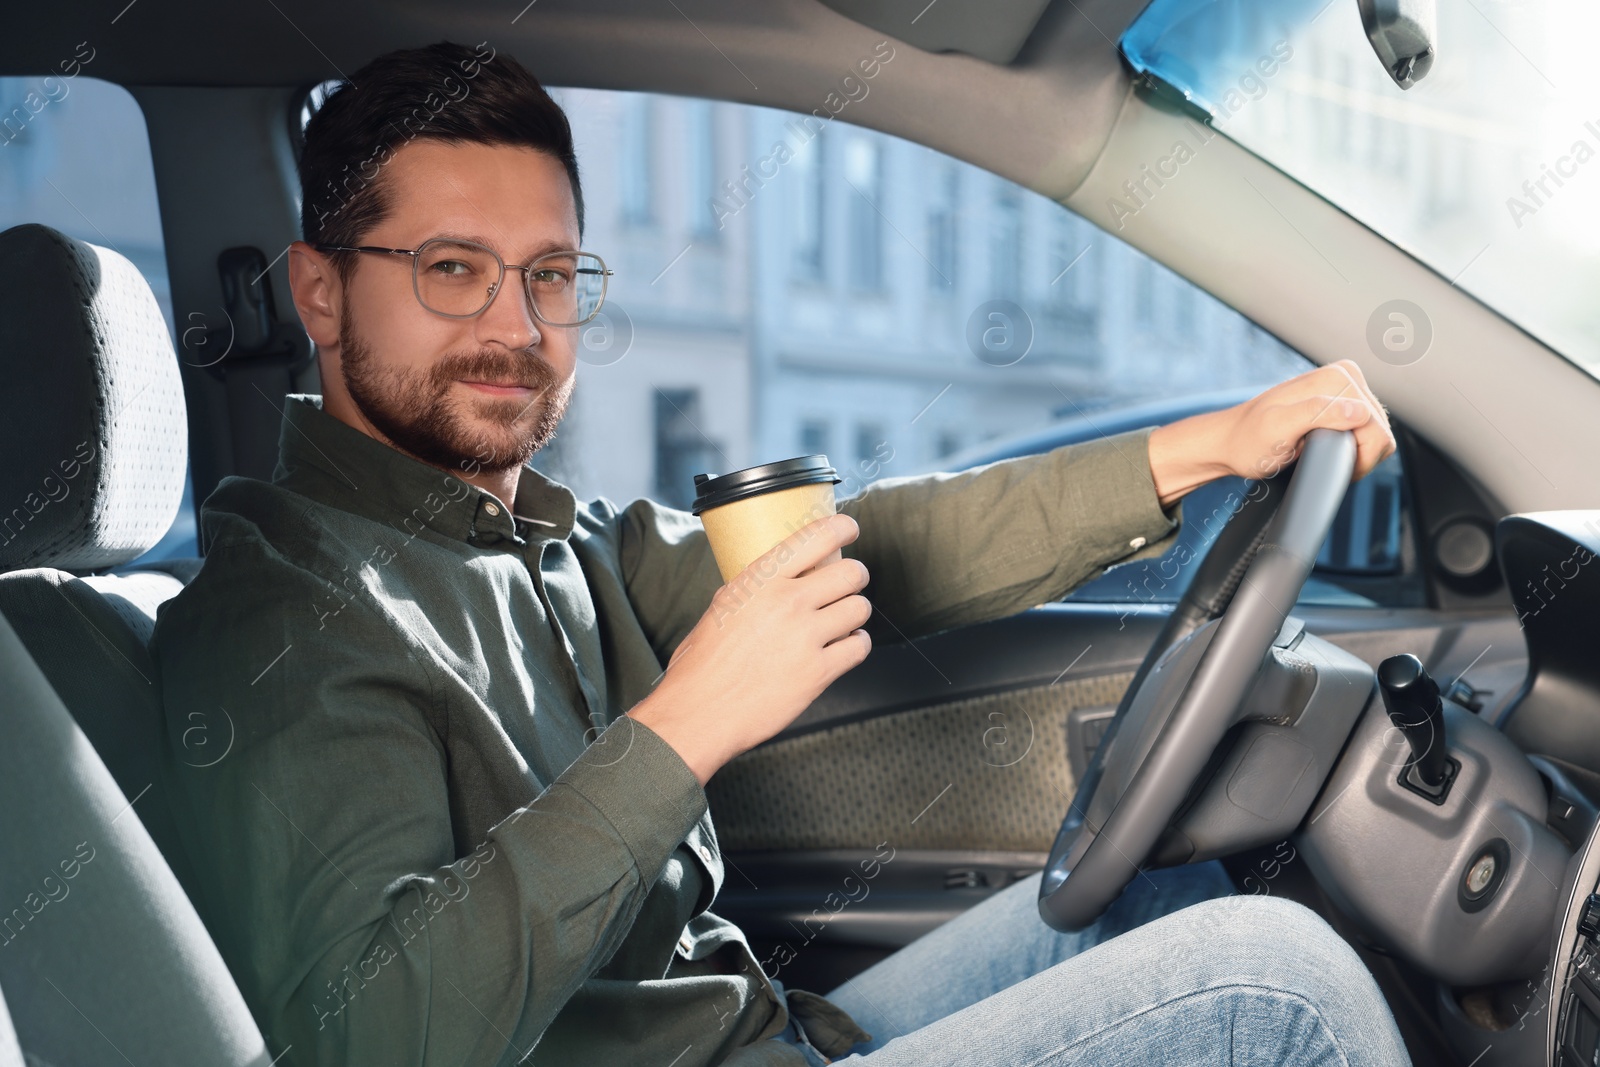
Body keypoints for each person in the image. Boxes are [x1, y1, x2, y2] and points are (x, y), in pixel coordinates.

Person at [152, 41, 1408, 1067]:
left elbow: (877, 550)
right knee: (1275, 985)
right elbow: (373, 1034)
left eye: (550, 273)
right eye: (450, 269)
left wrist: (1208, 445)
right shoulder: (281, 615)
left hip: (762, 1032)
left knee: (1157, 888)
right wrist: (687, 722)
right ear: (319, 293)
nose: (516, 326)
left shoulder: (540, 536)